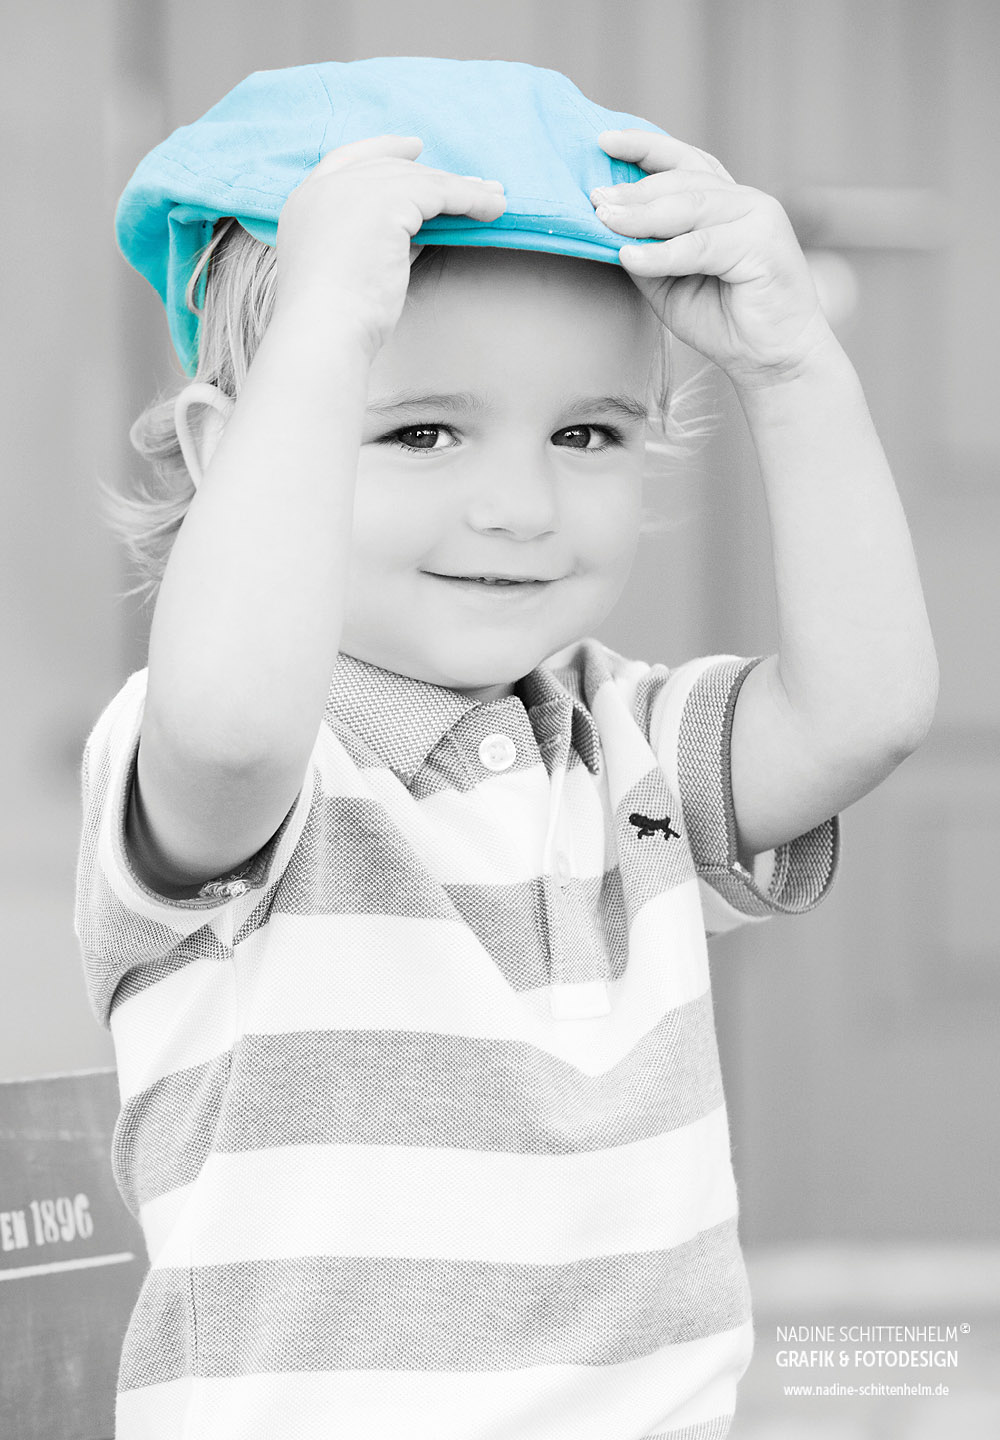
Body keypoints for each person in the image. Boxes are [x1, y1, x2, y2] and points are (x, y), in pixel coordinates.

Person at [75, 56, 937, 1440]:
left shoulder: (629, 746)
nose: (521, 505)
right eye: (419, 430)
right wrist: (321, 333)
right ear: (231, 454)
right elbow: (229, 723)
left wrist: (794, 369)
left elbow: (867, 711)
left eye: (587, 433)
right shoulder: (248, 759)